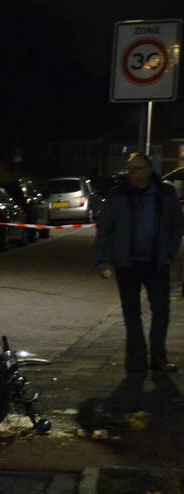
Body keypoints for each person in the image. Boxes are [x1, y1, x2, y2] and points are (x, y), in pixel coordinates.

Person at [94, 152, 184, 373]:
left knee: (161, 310)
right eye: (130, 168)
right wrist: (101, 259)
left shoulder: (165, 193)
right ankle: (138, 355)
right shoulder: (117, 195)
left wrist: (170, 254)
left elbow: (176, 226)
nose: (132, 173)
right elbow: (104, 229)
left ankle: (158, 356)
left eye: (137, 169)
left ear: (148, 170)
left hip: (156, 262)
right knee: (131, 312)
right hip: (127, 263)